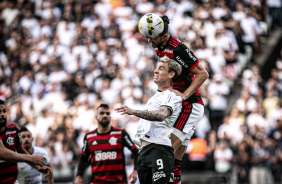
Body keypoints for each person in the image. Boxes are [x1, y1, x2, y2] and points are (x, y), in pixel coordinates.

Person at [138, 13, 208, 184]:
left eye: (152, 38)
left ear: (163, 35)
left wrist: (184, 94)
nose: (149, 41)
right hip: (179, 104)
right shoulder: (158, 45)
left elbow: (202, 74)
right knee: (175, 160)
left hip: (189, 106)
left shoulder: (178, 49)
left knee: (165, 148)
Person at [115, 56, 183, 184]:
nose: (155, 71)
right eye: (156, 68)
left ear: (171, 74)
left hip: (159, 149)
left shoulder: (172, 95)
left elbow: (161, 115)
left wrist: (133, 111)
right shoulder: (155, 97)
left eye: (161, 68)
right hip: (145, 152)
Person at [74, 103, 139, 184]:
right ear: (96, 117)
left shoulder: (121, 133)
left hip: (118, 182)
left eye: (107, 113)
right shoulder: (89, 137)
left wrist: (136, 171)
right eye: (101, 113)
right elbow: (83, 158)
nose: (105, 115)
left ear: (110, 117)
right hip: (97, 182)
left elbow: (136, 152)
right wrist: (78, 175)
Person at [0, 99, 52, 183]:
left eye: (4, 111)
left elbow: (21, 151)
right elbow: (2, 153)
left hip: (13, 181)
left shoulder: (13, 130)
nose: (2, 114)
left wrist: (37, 167)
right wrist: (31, 158)